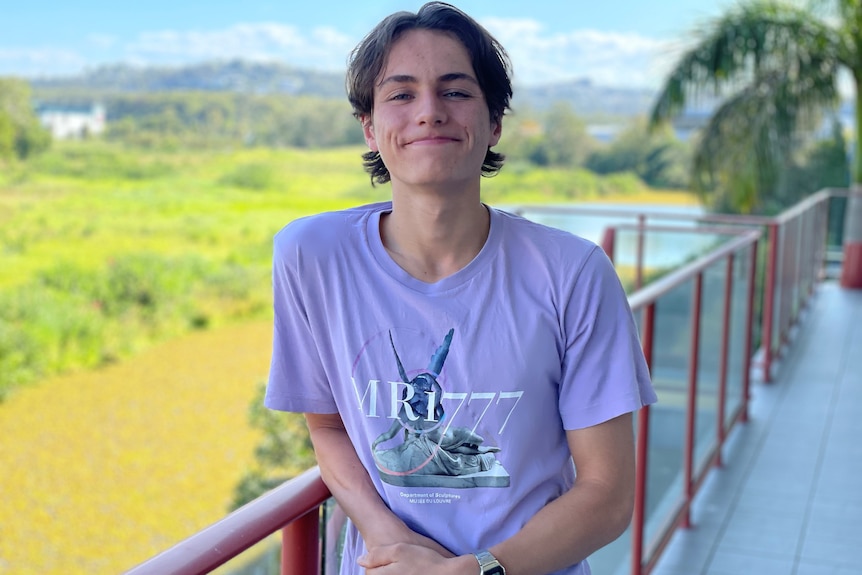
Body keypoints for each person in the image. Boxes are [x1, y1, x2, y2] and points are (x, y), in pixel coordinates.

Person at [264, 3, 656, 574]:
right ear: (369, 126)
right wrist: (388, 538)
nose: (429, 113)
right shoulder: (312, 256)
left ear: (494, 121)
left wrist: (474, 570)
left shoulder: (571, 272)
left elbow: (608, 494)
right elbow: (327, 427)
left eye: (456, 91)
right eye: (401, 94)